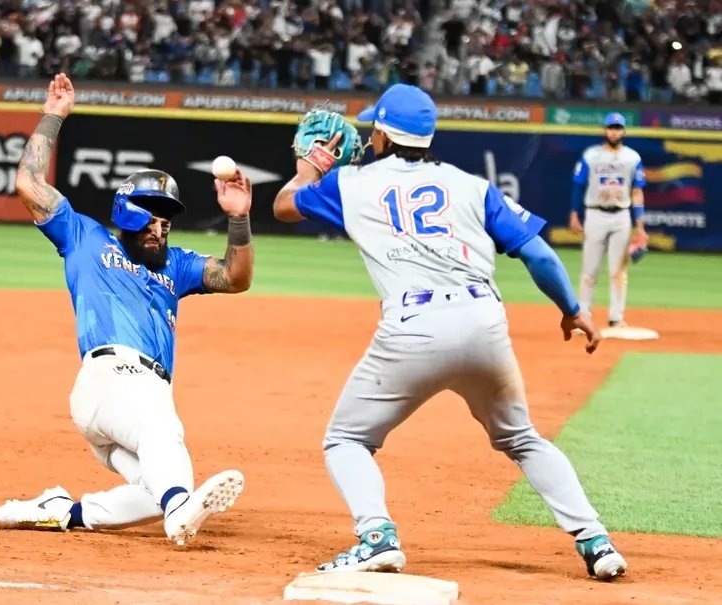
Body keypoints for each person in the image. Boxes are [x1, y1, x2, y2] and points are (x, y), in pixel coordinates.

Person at [271, 84, 628, 582]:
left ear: (383, 135)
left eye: (375, 128)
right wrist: (571, 309)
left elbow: (284, 206)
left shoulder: (351, 183)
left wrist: (312, 166)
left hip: (413, 329)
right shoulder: (471, 186)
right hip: (484, 323)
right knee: (522, 438)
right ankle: (595, 540)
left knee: (347, 439)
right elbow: (539, 253)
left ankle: (376, 536)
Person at [0, 74, 253, 546]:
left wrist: (238, 218)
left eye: (166, 218)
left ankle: (61, 510)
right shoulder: (86, 238)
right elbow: (28, 183)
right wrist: (53, 115)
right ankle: (180, 510)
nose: (160, 225)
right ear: (127, 211)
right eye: (150, 213)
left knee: (157, 488)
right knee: (163, 438)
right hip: (112, 378)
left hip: (128, 399)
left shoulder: (177, 265)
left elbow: (236, 277)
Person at [568, 113, 647, 328]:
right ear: (605, 130)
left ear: (624, 131)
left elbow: (637, 191)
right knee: (589, 271)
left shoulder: (632, 158)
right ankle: (583, 316)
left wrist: (640, 225)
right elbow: (578, 186)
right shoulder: (591, 155)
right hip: (595, 214)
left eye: (618, 128)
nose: (614, 131)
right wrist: (574, 214)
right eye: (611, 127)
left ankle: (616, 317)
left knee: (618, 271)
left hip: (621, 216)